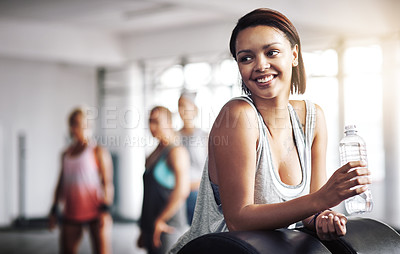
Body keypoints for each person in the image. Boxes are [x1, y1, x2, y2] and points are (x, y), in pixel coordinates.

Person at [169, 8, 371, 253]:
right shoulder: (237, 115)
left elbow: (313, 210)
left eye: (271, 52)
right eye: (246, 58)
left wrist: (322, 218)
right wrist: (323, 199)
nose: (261, 65)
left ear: (294, 54)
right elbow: (239, 219)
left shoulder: (313, 118)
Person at [48, 107, 114, 254]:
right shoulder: (65, 154)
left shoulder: (98, 151)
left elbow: (107, 182)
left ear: (88, 125)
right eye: (74, 124)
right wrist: (54, 208)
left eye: (81, 124)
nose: (78, 128)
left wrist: (105, 210)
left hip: (96, 212)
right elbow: (60, 183)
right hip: (72, 212)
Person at [138, 106, 190, 254]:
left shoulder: (176, 152)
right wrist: (144, 228)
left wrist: (160, 220)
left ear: (169, 123)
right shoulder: (157, 150)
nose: (151, 126)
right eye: (149, 121)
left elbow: (182, 191)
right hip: (151, 225)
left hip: (168, 226)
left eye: (156, 121)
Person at [177, 90, 208, 225]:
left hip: (196, 192)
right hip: (177, 192)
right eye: (179, 106)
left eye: (185, 105)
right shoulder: (174, 136)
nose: (182, 109)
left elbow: (210, 169)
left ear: (194, 109)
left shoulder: (204, 136)